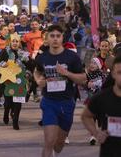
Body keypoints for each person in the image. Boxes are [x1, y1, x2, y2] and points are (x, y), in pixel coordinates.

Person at [34, 25, 85, 157]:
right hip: (49, 102)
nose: (55, 39)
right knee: (49, 141)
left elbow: (83, 79)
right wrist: (39, 80)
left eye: (58, 36)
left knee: (58, 145)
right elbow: (37, 71)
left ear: (62, 38)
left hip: (67, 102)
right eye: (52, 36)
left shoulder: (72, 57)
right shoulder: (43, 58)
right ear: (47, 39)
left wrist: (67, 73)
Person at [82, 56, 121, 157]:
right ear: (113, 74)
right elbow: (85, 116)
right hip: (109, 151)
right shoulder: (102, 97)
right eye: (120, 72)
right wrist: (96, 133)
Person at [0, 32, 30, 130]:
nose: (15, 43)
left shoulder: (23, 54)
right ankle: (6, 113)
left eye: (17, 41)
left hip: (20, 80)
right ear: (10, 43)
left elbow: (29, 65)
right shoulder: (5, 52)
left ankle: (15, 121)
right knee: (8, 102)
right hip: (8, 80)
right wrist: (3, 64)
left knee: (18, 101)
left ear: (19, 43)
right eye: (13, 41)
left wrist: (28, 71)